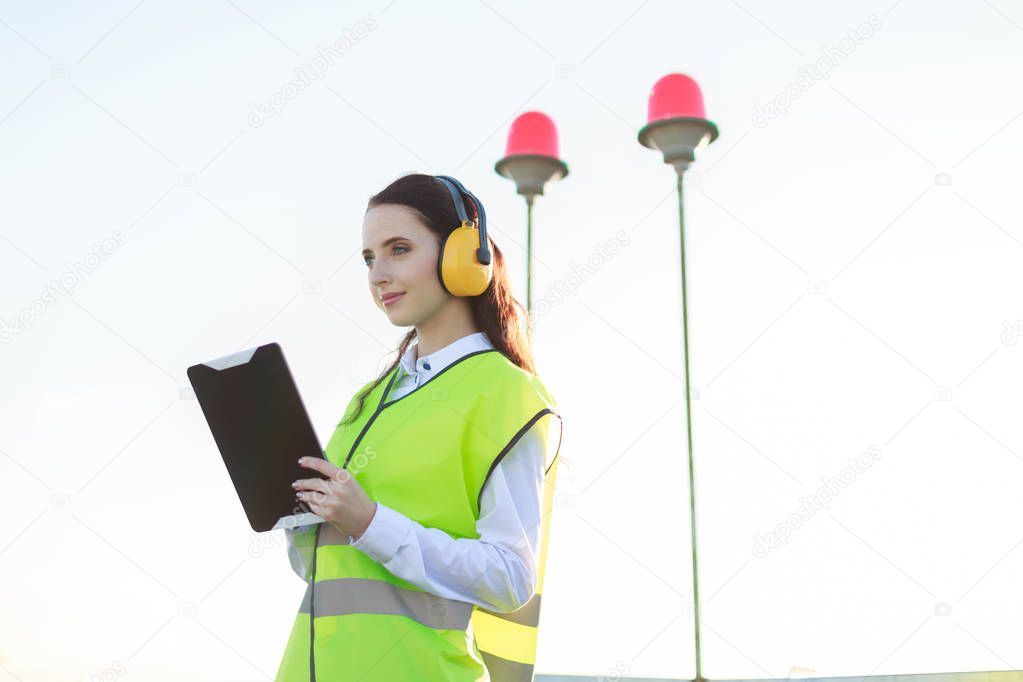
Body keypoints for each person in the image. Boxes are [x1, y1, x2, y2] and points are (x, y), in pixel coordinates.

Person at [273, 173, 563, 681]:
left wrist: (369, 522)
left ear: (462, 257)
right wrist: (297, 519)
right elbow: (322, 570)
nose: (377, 274)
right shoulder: (367, 401)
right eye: (368, 258)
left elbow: (512, 577)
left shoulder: (506, 393)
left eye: (398, 249)